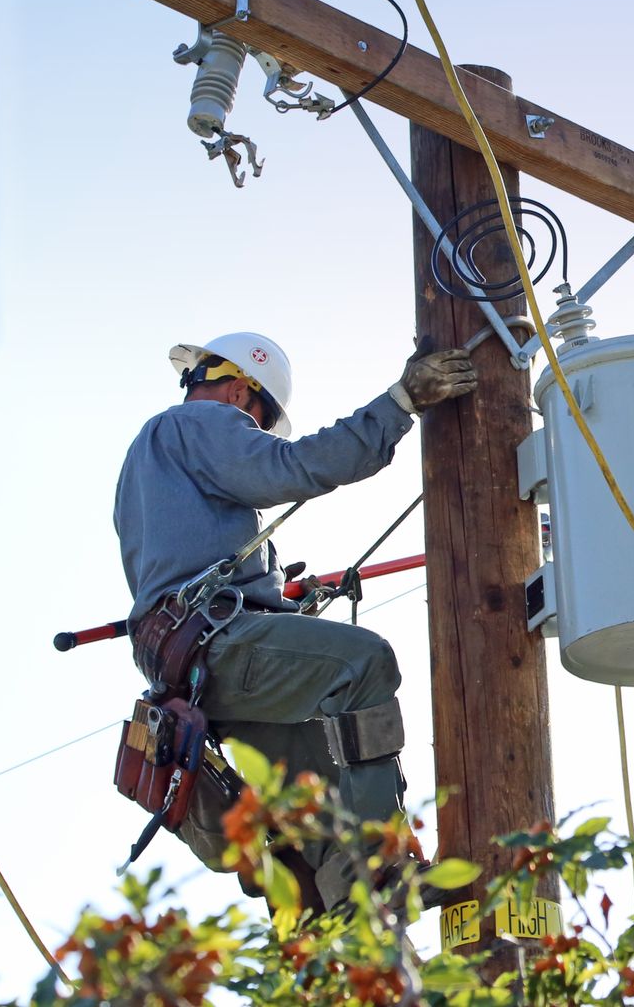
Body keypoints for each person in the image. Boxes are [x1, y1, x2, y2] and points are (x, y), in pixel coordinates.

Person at [113, 331, 476, 910]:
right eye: (254, 424)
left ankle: (349, 939)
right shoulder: (193, 424)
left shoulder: (154, 465)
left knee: (321, 804)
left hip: (197, 665)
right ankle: (380, 868)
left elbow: (196, 560)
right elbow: (295, 466)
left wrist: (285, 605)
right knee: (363, 663)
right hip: (216, 645)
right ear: (239, 394)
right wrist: (401, 401)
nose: (251, 436)